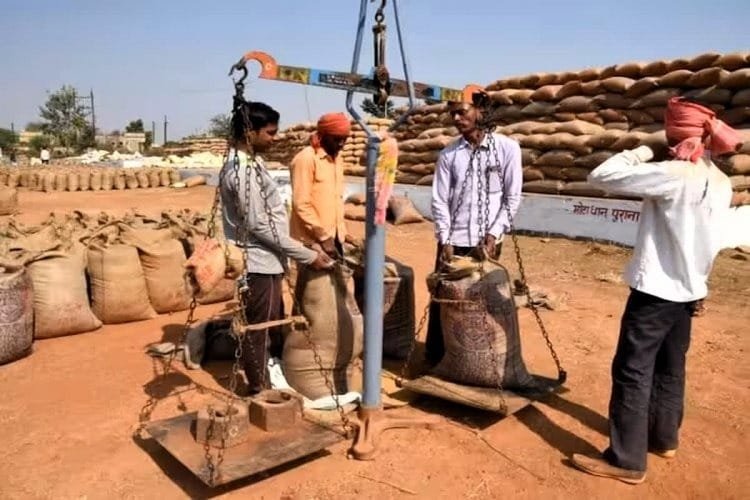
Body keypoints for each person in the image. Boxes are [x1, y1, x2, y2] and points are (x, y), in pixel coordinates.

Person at [571, 97, 741, 484]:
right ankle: (664, 438)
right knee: (670, 367)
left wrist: (644, 150)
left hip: (655, 293)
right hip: (689, 291)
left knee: (632, 370)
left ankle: (626, 461)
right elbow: (712, 243)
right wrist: (700, 286)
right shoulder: (720, 181)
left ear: (672, 135)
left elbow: (601, 175)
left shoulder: (672, 174)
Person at [219, 100, 334, 395]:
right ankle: (259, 388)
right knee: (259, 327)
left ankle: (268, 372)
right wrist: (306, 255)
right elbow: (259, 225)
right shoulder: (240, 173)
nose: (275, 138)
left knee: (271, 320)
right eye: (270, 133)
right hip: (257, 262)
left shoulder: (252, 164)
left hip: (269, 258)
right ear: (250, 133)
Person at [425, 89, 523, 365]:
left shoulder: (507, 149)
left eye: (462, 112)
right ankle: (436, 359)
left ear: (480, 110)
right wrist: (445, 238)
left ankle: (477, 363)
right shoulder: (449, 154)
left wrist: (494, 233)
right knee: (444, 300)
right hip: (453, 240)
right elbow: (439, 199)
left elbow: (512, 197)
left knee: (482, 301)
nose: (456, 118)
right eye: (452, 114)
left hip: (487, 242)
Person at [289, 112, 350, 258]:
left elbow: (335, 199)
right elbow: (301, 204)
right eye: (336, 139)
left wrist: (342, 233)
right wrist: (323, 237)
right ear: (323, 135)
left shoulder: (338, 159)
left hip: (332, 238)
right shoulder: (306, 159)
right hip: (311, 241)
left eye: (344, 139)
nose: (341, 144)